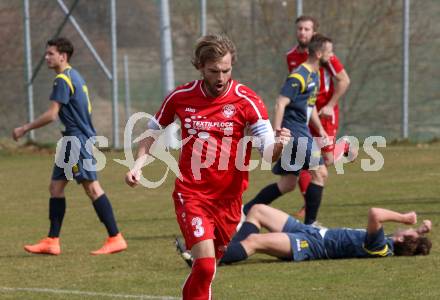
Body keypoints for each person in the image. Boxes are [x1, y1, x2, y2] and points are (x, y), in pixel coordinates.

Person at [125, 34, 290, 300]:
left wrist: (280, 146)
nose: (221, 77)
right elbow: (151, 133)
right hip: (191, 194)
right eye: (214, 71)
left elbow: (269, 153)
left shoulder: (248, 101)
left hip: (229, 201)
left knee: (208, 270)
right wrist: (138, 165)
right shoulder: (180, 97)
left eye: (226, 70)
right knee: (204, 265)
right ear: (200, 67)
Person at [12, 37, 127, 255]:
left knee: (92, 188)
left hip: (76, 141)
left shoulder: (62, 79)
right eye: (46, 53)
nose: (46, 57)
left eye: (50, 53)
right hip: (72, 141)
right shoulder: (75, 76)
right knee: (55, 187)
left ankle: (115, 237)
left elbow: (52, 115)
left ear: (62, 56)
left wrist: (24, 128)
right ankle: (52, 240)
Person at [243, 34, 333, 225]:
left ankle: (244, 212)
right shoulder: (298, 76)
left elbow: (310, 106)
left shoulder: (314, 75)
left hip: (302, 130)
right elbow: (280, 103)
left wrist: (320, 129)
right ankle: (311, 225)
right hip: (294, 132)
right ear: (318, 53)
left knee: (288, 184)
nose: (331, 56)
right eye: (329, 52)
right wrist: (277, 131)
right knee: (320, 173)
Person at [286, 16, 352, 218]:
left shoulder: (325, 55)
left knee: (327, 160)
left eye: (307, 29)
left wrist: (330, 105)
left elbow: (344, 80)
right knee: (305, 157)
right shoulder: (291, 56)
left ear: (314, 32)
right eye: (299, 29)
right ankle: (309, 204)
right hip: (307, 111)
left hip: (324, 113)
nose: (302, 33)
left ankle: (345, 147)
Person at [220, 204, 432, 264]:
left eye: (409, 231)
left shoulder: (381, 246)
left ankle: (211, 259)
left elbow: (375, 213)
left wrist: (404, 218)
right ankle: (227, 252)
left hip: (310, 246)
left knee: (254, 241)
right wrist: (421, 231)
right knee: (258, 210)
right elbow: (410, 239)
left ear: (404, 238)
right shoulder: (390, 243)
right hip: (310, 231)